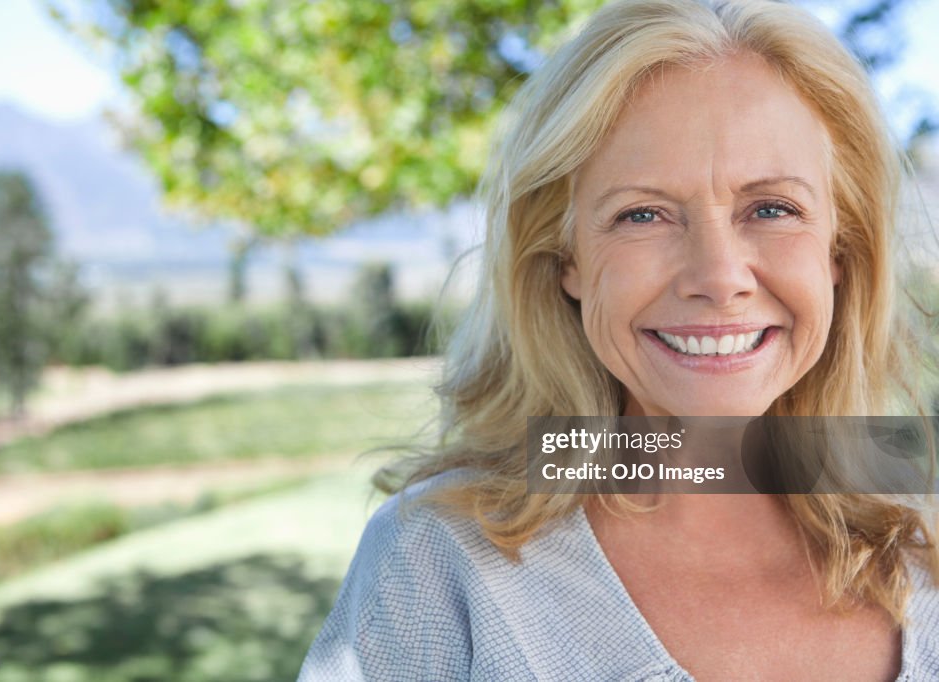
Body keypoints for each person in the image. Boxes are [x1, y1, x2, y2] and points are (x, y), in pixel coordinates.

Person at [298, 0, 939, 679]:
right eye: (643, 214)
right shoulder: (436, 559)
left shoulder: (922, 536)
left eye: (772, 208)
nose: (719, 279)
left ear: (841, 251)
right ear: (563, 257)